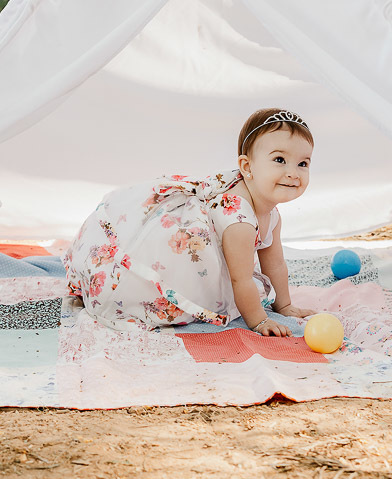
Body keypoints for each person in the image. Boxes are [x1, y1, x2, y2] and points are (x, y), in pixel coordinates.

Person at [63, 107, 317, 336]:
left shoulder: (271, 213)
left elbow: (276, 264)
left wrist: (283, 306)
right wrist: (260, 321)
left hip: (213, 248)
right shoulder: (238, 217)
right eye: (279, 160)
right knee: (148, 283)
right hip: (183, 257)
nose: (293, 173)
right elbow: (241, 280)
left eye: (303, 163)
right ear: (246, 166)